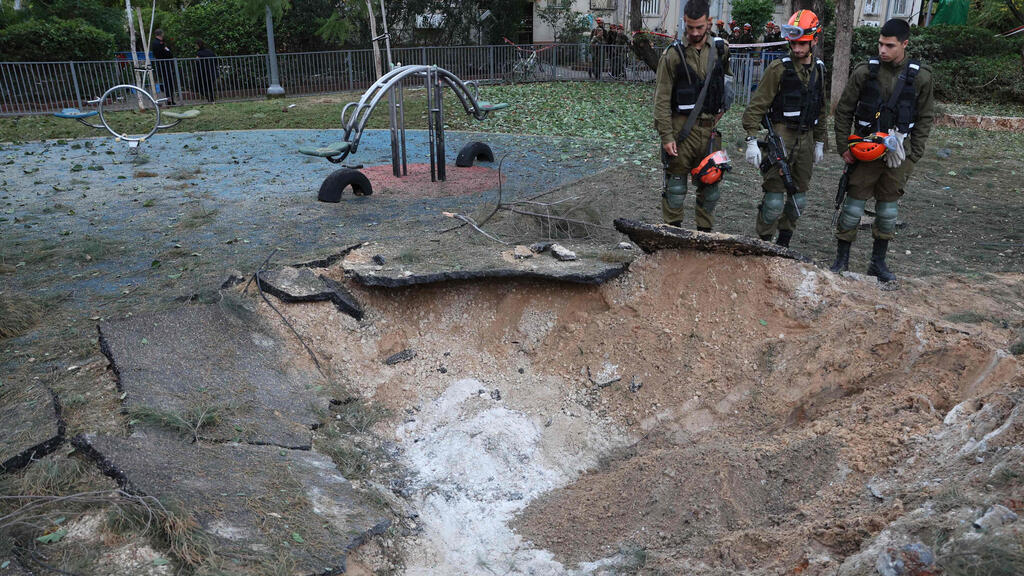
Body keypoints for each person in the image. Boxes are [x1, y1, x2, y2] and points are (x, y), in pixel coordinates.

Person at [831, 18, 934, 283]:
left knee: (888, 213)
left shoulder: (921, 77)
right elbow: (844, 111)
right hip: (864, 151)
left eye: (889, 45)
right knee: (853, 208)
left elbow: (924, 119)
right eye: (880, 44)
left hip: (899, 155)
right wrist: (844, 147)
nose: (882, 50)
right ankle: (841, 259)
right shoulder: (865, 72)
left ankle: (877, 263)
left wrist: (913, 156)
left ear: (905, 44)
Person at [741, 10, 827, 247]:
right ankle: (764, 244)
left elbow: (821, 108)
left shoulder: (819, 69)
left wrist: (820, 141)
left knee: (798, 200)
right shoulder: (778, 69)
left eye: (802, 43)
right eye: (794, 43)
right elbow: (756, 107)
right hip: (781, 136)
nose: (797, 48)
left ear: (814, 40)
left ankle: (784, 244)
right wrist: (751, 139)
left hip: (807, 139)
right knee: (774, 201)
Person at [653, 0, 731, 231]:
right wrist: (666, 136)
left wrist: (722, 109)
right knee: (675, 190)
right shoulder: (672, 56)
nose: (694, 33)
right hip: (680, 131)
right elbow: (661, 99)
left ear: (708, 22)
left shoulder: (721, 50)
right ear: (684, 23)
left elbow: (726, 82)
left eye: (699, 27)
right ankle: (674, 236)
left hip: (709, 133)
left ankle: (704, 238)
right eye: (690, 28)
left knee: (710, 188)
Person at [151, 29, 176, 105]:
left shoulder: (154, 42)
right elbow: (167, 53)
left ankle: (169, 99)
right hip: (165, 64)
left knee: (167, 82)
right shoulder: (160, 43)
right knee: (169, 82)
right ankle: (169, 99)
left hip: (162, 65)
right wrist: (169, 53)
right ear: (161, 34)